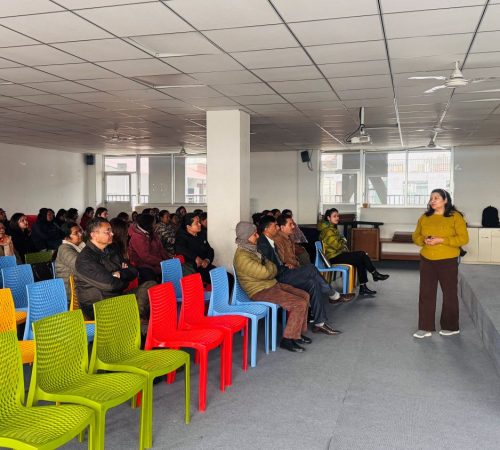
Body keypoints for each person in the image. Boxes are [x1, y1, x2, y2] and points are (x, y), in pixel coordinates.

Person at [233, 221, 311, 353]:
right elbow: (266, 272)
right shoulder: (242, 256)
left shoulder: (252, 250)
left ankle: (296, 333)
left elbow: (270, 265)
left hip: (270, 284)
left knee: (305, 296)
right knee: (299, 303)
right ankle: (287, 339)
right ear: (246, 237)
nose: (258, 236)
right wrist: (270, 268)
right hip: (260, 291)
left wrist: (269, 268)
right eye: (254, 234)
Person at [257, 216, 342, 335]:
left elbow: (277, 261)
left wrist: (285, 264)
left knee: (313, 283)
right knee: (311, 268)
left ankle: (320, 323)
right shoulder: (263, 243)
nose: (277, 228)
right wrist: (285, 265)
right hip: (279, 277)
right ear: (267, 229)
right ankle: (333, 295)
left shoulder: (271, 241)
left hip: (284, 271)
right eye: (275, 226)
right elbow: (270, 266)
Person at [412, 189, 469, 339]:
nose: (432, 200)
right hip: (427, 259)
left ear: (445, 200)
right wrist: (423, 240)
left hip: (448, 260)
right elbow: (416, 236)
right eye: (431, 198)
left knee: (449, 293)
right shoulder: (424, 217)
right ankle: (425, 327)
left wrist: (442, 240)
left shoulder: (455, 217)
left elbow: (463, 238)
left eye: (436, 198)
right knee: (426, 293)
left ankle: (451, 326)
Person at [74, 218, 155, 320]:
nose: (112, 234)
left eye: (111, 230)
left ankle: (134, 318)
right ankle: (135, 320)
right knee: (142, 304)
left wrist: (120, 274)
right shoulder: (85, 259)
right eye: (107, 231)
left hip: (116, 298)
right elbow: (110, 285)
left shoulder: (112, 248)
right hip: (98, 305)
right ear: (94, 235)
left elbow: (133, 271)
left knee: (151, 286)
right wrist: (124, 280)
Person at [274, 214, 355, 302]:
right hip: (287, 272)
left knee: (312, 278)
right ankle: (334, 296)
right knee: (311, 268)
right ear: (282, 227)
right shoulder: (278, 240)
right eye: (290, 224)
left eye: (293, 223)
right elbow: (281, 261)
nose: (293, 226)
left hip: (295, 268)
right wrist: (289, 265)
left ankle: (326, 300)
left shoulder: (288, 238)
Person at [318, 208, 389, 296]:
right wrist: (343, 240)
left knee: (360, 260)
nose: (337, 218)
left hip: (337, 254)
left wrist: (342, 240)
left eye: (338, 216)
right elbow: (337, 246)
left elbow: (339, 243)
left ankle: (364, 287)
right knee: (362, 254)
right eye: (334, 216)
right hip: (333, 257)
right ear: (328, 218)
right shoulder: (328, 231)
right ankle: (375, 274)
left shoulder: (331, 228)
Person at [176, 213, 233, 289]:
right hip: (193, 270)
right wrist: (195, 257)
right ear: (188, 227)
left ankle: (224, 296)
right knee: (224, 280)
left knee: (229, 277)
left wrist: (207, 260)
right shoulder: (181, 237)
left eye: (199, 222)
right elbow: (180, 249)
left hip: (205, 267)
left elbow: (210, 250)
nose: (200, 224)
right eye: (196, 223)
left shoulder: (201, 234)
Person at [129, 214, 170, 282]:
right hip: (142, 265)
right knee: (151, 280)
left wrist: (168, 260)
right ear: (148, 224)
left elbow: (161, 249)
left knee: (171, 272)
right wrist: (161, 262)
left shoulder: (152, 233)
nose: (155, 225)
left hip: (156, 262)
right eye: (153, 223)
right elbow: (145, 257)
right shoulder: (136, 237)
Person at [54, 222, 85, 304]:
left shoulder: (80, 245)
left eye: (80, 231)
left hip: (80, 284)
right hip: (70, 290)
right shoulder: (64, 249)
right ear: (67, 237)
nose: (80, 234)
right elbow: (80, 265)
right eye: (76, 233)